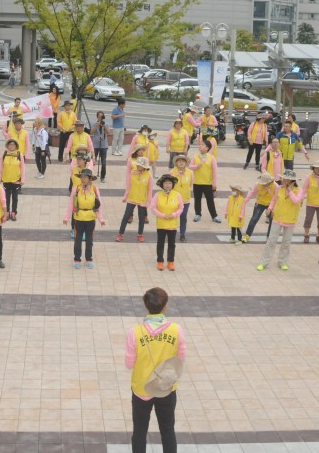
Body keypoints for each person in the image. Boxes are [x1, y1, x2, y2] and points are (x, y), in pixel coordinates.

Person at [125, 287, 186, 453]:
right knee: (167, 431)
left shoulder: (135, 333)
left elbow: (129, 363)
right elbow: (181, 357)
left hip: (141, 388)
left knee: (139, 432)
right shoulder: (176, 330)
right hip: (166, 388)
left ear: (146, 306)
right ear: (165, 306)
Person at [258, 169, 302, 271]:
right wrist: (270, 208)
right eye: (283, 178)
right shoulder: (279, 188)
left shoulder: (298, 190)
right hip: (277, 218)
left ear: (292, 181)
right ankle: (264, 262)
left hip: (290, 219)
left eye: (286, 179)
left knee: (286, 242)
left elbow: (296, 201)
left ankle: (282, 262)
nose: (283, 180)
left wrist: (289, 191)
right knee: (271, 240)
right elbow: (274, 199)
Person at [66, 168, 104, 268]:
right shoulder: (76, 189)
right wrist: (67, 217)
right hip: (78, 219)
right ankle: (77, 259)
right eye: (81, 177)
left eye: (85, 177)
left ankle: (88, 259)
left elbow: (98, 205)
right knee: (77, 240)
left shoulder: (94, 189)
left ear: (90, 179)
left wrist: (101, 219)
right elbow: (71, 204)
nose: (83, 179)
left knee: (89, 240)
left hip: (91, 219)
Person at [151, 174, 183, 270]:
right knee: (160, 243)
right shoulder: (157, 195)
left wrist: (174, 215)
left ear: (172, 185)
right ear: (162, 184)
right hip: (161, 224)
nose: (168, 185)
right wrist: (162, 215)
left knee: (172, 244)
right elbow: (153, 207)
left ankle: (171, 261)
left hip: (173, 224)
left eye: (170, 183)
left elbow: (181, 207)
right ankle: (160, 261)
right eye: (166, 183)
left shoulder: (177, 195)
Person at [117, 156, 153, 242]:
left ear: (144, 167)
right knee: (126, 216)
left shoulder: (149, 176)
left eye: (140, 165)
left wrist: (149, 202)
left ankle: (140, 234)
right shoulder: (132, 173)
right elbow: (128, 186)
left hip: (142, 200)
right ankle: (120, 234)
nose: (138, 167)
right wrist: (125, 196)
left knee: (141, 218)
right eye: (137, 165)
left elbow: (150, 190)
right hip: (132, 198)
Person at [189, 138, 220, 223]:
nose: (200, 146)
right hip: (197, 182)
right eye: (200, 144)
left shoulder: (211, 158)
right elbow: (190, 166)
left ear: (207, 148)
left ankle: (214, 215)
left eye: (202, 145)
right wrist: (196, 166)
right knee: (197, 199)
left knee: (210, 200)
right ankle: (197, 214)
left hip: (207, 183)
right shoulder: (195, 156)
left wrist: (214, 183)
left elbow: (215, 171)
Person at [242, 172, 277, 243]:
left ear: (269, 182)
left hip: (271, 204)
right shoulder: (258, 185)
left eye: (264, 183)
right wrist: (244, 202)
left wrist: (271, 208)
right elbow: (252, 193)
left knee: (272, 220)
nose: (263, 184)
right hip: (260, 203)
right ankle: (247, 235)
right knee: (254, 219)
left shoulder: (275, 186)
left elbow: (276, 197)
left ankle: (269, 237)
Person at [301, 163, 319, 244]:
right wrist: (301, 199)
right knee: (308, 219)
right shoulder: (309, 177)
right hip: (311, 202)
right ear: (313, 169)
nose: (317, 170)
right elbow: (304, 189)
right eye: (315, 168)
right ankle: (306, 235)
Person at [169, 155, 194, 243]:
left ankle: (182, 234)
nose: (181, 162)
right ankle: (171, 233)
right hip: (174, 199)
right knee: (173, 216)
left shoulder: (190, 172)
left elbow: (190, 184)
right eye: (179, 161)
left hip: (185, 199)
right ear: (176, 163)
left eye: (183, 161)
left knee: (183, 217)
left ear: (186, 163)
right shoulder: (172, 172)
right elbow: (169, 185)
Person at [0, 139, 24, 222]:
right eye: (10, 144)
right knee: (6, 197)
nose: (11, 146)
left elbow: (23, 168)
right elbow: (0, 166)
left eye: (13, 145)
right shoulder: (4, 154)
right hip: (6, 180)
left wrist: (22, 179)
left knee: (15, 198)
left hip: (16, 180)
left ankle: (13, 212)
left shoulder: (19, 154)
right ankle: (6, 212)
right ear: (7, 146)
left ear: (16, 146)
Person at [91, 111, 110, 183]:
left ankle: (103, 176)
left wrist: (104, 126)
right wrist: (97, 125)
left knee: (104, 162)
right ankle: (90, 175)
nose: (101, 118)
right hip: (95, 145)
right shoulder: (94, 123)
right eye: (99, 116)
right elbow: (91, 132)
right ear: (97, 117)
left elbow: (109, 133)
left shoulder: (106, 124)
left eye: (102, 116)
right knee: (92, 161)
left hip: (104, 145)